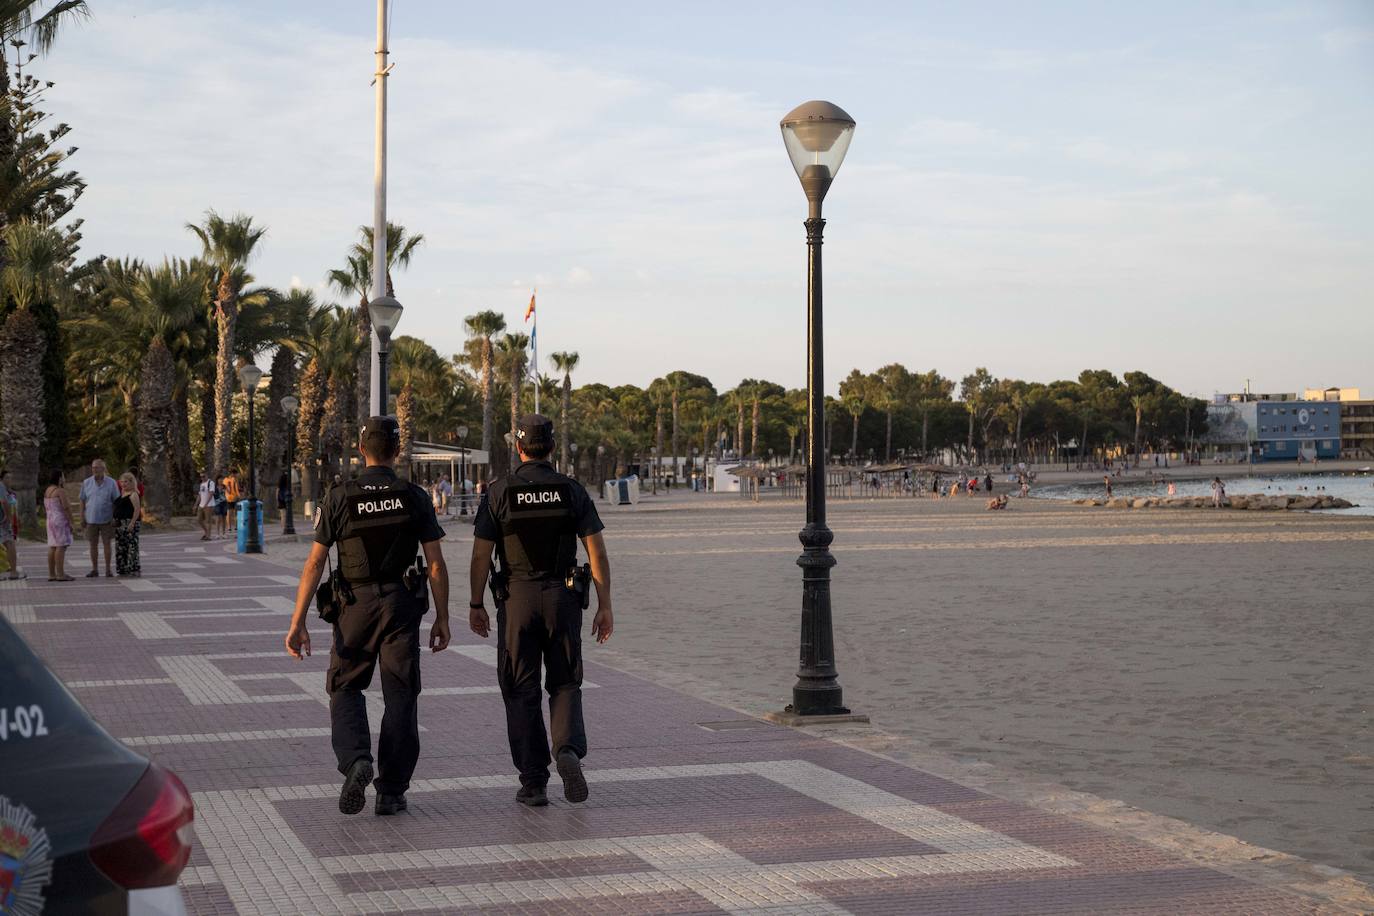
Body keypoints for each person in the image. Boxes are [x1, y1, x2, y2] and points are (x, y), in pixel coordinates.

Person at [283, 416, 450, 818]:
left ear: (362, 451)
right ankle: (391, 791)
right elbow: (436, 564)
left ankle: (356, 759)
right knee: (401, 696)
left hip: (353, 608)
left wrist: (298, 621)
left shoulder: (339, 496)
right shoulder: (414, 496)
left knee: (345, 688)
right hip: (400, 605)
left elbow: (315, 563)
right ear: (396, 451)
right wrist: (443, 616)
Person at [469, 414, 613, 808]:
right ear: (551, 447)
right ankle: (566, 749)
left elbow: (481, 554)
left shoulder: (499, 492)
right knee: (565, 682)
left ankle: (533, 782)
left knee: (520, 689)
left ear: (518, 449)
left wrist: (476, 603)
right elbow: (595, 551)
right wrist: (605, 605)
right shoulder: (571, 490)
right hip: (562, 599)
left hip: (516, 599)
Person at [80, 458, 120, 578]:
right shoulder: (86, 482)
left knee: (107, 543)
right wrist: (82, 516)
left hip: (107, 519)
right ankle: (94, 569)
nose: (94, 470)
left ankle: (108, 569)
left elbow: (116, 501)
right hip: (91, 519)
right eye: (93, 467)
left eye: (97, 467)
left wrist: (115, 517)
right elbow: (82, 500)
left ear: (103, 469)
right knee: (93, 544)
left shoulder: (112, 482)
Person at [44, 470, 74, 581]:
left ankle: (52, 574)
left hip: (50, 521)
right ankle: (61, 574)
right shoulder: (60, 491)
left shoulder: (48, 490)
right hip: (60, 521)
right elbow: (66, 507)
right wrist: (71, 521)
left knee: (52, 546)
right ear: (59, 478)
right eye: (63, 476)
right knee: (61, 546)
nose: (64, 478)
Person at [114, 472, 142, 577]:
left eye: (126, 481)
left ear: (131, 482)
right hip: (120, 524)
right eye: (122, 481)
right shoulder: (122, 493)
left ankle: (134, 567)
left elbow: (137, 509)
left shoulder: (134, 494)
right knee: (121, 546)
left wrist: (132, 523)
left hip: (129, 522)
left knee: (132, 546)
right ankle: (123, 567)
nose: (123, 484)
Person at [0, 469, 23, 580]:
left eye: (10, 478)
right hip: (4, 523)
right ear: (2, 479)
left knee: (7, 545)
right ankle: (13, 572)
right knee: (10, 544)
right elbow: (4, 502)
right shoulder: (1, 487)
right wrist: (8, 517)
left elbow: (12, 505)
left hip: (8, 521)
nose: (9, 480)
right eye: (7, 478)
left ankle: (10, 569)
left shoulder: (8, 491)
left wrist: (16, 519)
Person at [196, 470, 216, 540]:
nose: (202, 478)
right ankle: (206, 532)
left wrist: (206, 504)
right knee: (199, 520)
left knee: (208, 520)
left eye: (203, 476)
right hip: (201, 504)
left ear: (207, 475)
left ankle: (208, 536)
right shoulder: (201, 484)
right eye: (201, 477)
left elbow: (211, 493)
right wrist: (196, 504)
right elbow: (199, 495)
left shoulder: (211, 483)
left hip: (209, 504)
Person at [213, 470, 229, 538]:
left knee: (223, 518)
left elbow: (228, 492)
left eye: (222, 479)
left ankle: (224, 533)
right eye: (220, 479)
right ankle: (217, 534)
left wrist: (226, 488)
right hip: (217, 504)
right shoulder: (214, 487)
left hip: (224, 503)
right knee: (218, 519)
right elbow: (212, 495)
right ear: (217, 480)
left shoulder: (224, 486)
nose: (221, 480)